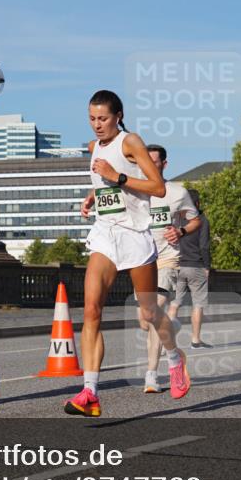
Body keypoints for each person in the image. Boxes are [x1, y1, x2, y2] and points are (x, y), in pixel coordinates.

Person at [65, 90, 189, 417]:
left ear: (118, 116)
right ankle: (90, 391)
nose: (96, 125)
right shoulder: (94, 147)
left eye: (103, 118)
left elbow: (157, 187)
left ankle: (175, 359)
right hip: (106, 234)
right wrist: (94, 196)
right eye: (91, 119)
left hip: (135, 235)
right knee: (91, 309)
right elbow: (104, 181)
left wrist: (116, 177)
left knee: (149, 314)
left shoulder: (131, 142)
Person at [141, 144, 202, 393]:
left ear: (164, 164)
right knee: (147, 321)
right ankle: (172, 326)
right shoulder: (134, 191)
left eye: (153, 162)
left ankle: (152, 375)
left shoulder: (177, 192)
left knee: (153, 311)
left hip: (167, 260)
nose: (147, 166)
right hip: (142, 260)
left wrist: (181, 230)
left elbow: (195, 219)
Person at [169, 189, 212, 349]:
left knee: (175, 303)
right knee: (198, 304)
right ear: (198, 203)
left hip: (178, 265)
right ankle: (195, 340)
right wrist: (207, 266)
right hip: (196, 266)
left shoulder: (178, 220)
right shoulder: (201, 220)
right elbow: (204, 246)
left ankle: (168, 342)